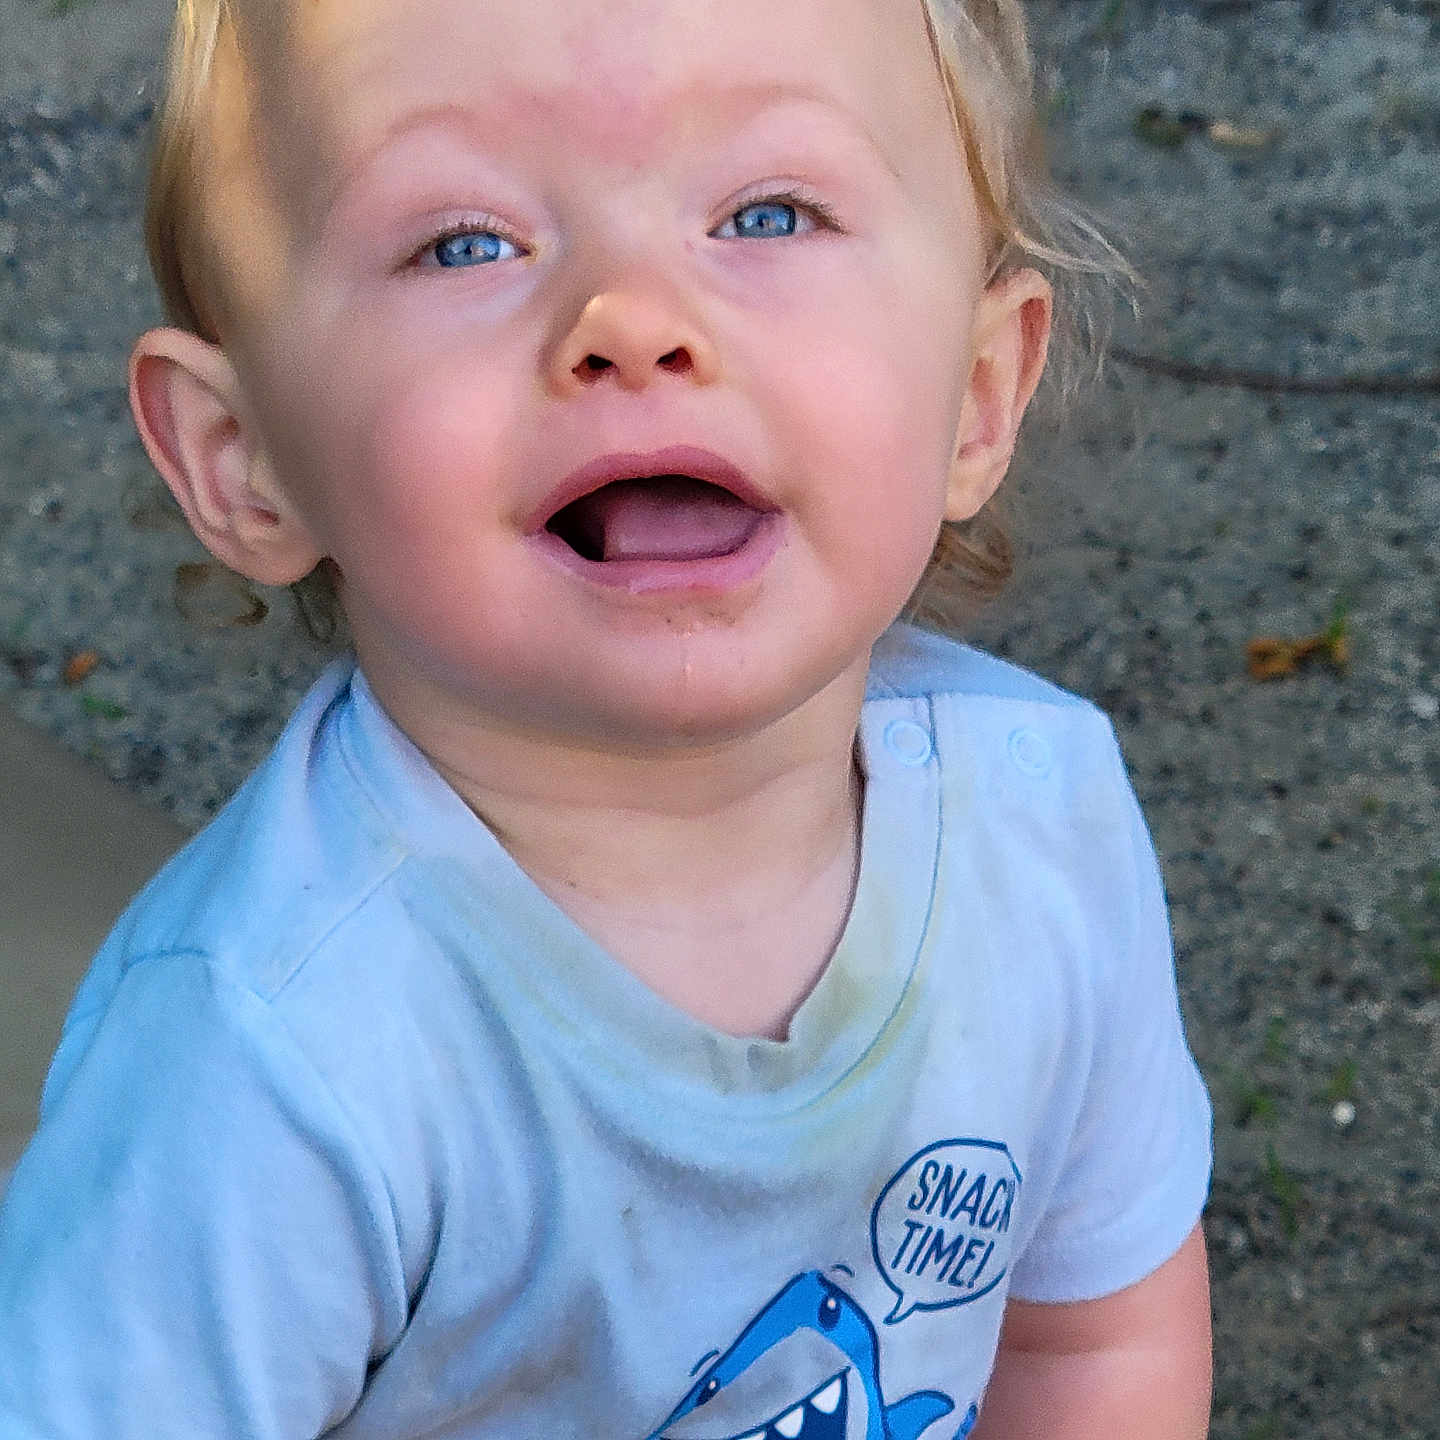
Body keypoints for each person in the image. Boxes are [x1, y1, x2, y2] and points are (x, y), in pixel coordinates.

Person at [0, 0, 1214, 1433]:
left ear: (980, 389)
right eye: (464, 242)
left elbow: (1089, 1347)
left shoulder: (1037, 827)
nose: (635, 322)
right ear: (244, 456)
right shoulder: (267, 1062)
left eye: (769, 213)